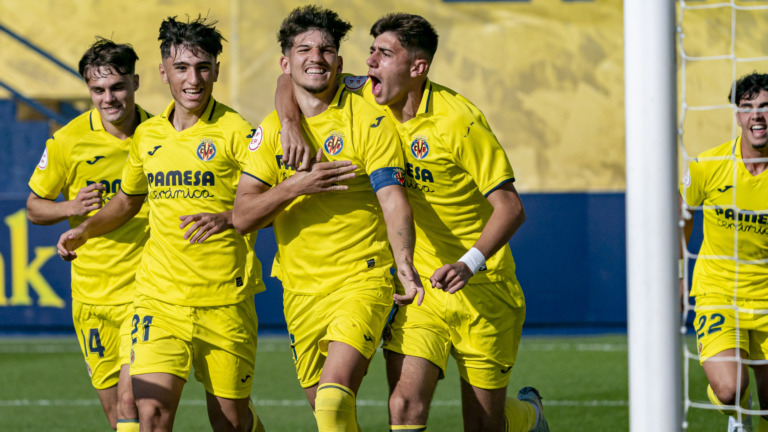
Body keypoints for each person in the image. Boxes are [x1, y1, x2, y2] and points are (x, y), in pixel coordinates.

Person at [277, 12, 548, 432]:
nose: (369, 64)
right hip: (422, 287)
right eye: (370, 52)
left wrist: (468, 262)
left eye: (384, 54)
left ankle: (529, 418)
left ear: (417, 68)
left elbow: (511, 208)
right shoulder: (368, 95)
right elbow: (291, 79)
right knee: (404, 408)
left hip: (484, 288)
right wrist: (290, 123)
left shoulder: (459, 121)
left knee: (483, 424)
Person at [56, 16, 266, 432]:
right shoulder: (148, 135)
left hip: (224, 301)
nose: (194, 79)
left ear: (216, 72)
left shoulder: (237, 132)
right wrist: (85, 229)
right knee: (148, 414)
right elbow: (128, 200)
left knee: (229, 421)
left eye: (203, 67)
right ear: (163, 71)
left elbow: (272, 200)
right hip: (159, 299)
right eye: (183, 68)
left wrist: (229, 217)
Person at [232, 5, 422, 432]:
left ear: (339, 60)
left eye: (327, 49)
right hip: (300, 290)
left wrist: (405, 262)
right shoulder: (271, 131)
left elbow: (392, 198)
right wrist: (295, 185)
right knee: (330, 418)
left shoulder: (367, 117)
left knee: (335, 400)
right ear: (286, 62)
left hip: (363, 278)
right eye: (304, 49)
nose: (316, 57)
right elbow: (242, 216)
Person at [26, 38, 149, 432]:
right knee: (118, 417)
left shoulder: (161, 134)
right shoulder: (68, 140)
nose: (108, 98)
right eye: (98, 90)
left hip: (151, 290)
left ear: (135, 83)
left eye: (117, 87)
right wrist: (69, 208)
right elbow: (33, 207)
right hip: (93, 295)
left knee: (135, 404)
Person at [681, 72, 768, 432]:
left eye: (765, 107)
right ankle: (735, 416)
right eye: (747, 108)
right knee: (731, 387)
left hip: (765, 296)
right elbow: (680, 216)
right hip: (718, 292)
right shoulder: (708, 167)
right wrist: (678, 272)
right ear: (737, 117)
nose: (756, 116)